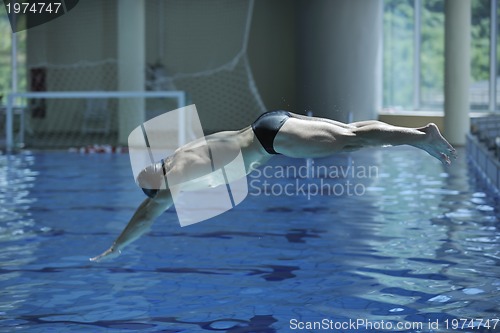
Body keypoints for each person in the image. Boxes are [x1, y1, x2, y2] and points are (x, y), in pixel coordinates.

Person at [90, 110, 456, 262]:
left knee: (350, 139)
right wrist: (118, 242)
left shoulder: (177, 172)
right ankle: (419, 136)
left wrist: (117, 246)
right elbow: (148, 209)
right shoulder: (179, 159)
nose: (169, 198)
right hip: (269, 129)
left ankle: (421, 136)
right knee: (351, 135)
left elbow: (147, 215)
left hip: (270, 139)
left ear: (160, 184)